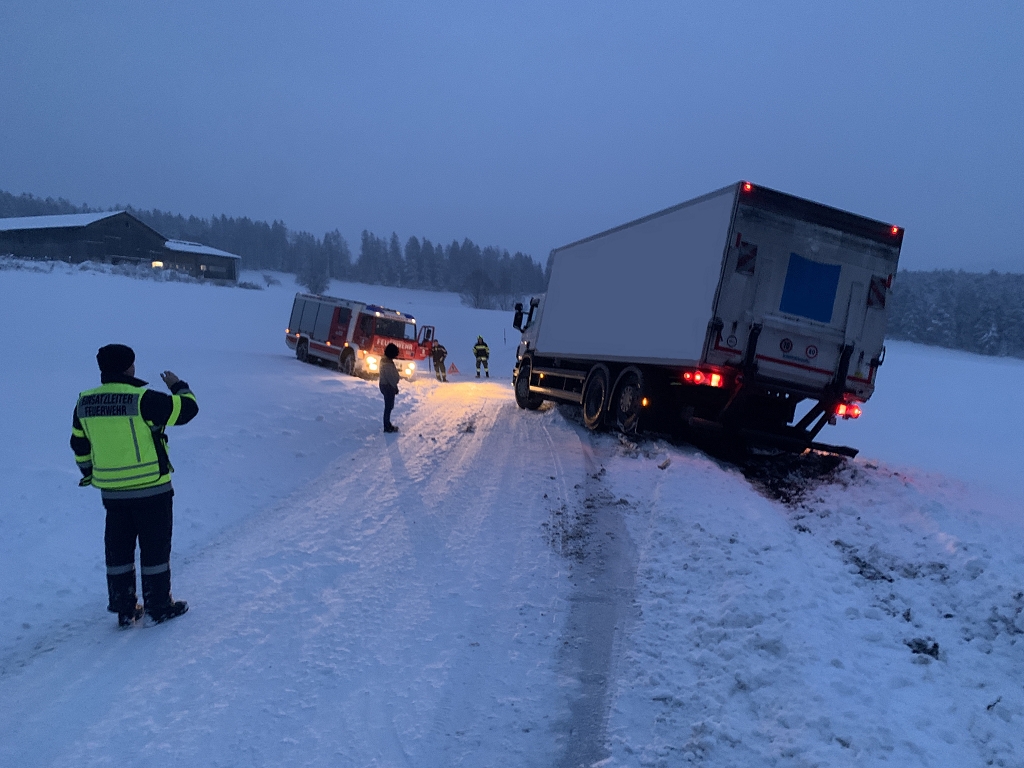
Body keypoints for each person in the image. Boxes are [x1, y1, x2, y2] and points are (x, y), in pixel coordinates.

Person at [70, 344, 198, 627]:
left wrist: (90, 472)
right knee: (154, 549)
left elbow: (79, 444)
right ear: (129, 368)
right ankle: (159, 606)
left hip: (112, 493)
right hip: (151, 488)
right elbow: (187, 410)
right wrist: (179, 385)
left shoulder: (85, 403)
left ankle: (124, 607)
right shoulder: (142, 399)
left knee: (118, 548)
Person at [379, 343, 401, 432]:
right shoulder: (387, 363)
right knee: (388, 406)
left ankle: (387, 424)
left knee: (389, 406)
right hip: (388, 386)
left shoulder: (386, 360)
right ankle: (387, 426)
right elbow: (390, 377)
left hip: (387, 386)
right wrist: (394, 387)